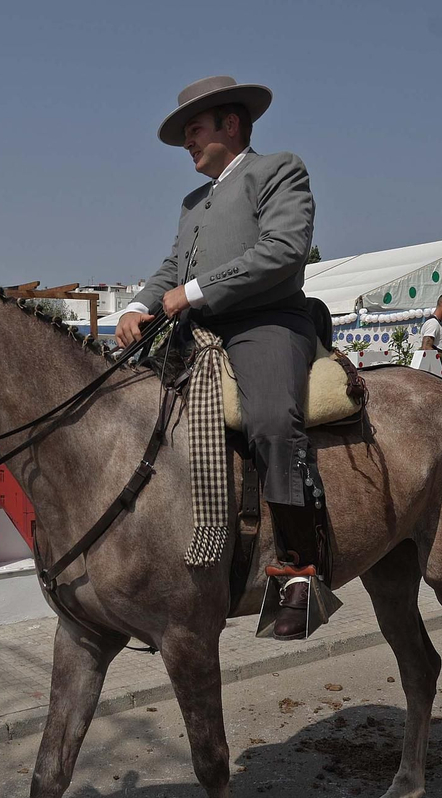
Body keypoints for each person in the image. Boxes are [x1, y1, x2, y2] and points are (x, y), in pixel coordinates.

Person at [115, 75, 319, 639]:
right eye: (185, 132)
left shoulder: (278, 169)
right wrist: (137, 304)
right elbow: (172, 266)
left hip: (267, 322)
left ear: (231, 125)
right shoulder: (192, 202)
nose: (188, 141)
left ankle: (299, 569)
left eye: (195, 130)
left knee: (273, 421)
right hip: (196, 330)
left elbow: (283, 249)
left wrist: (196, 291)